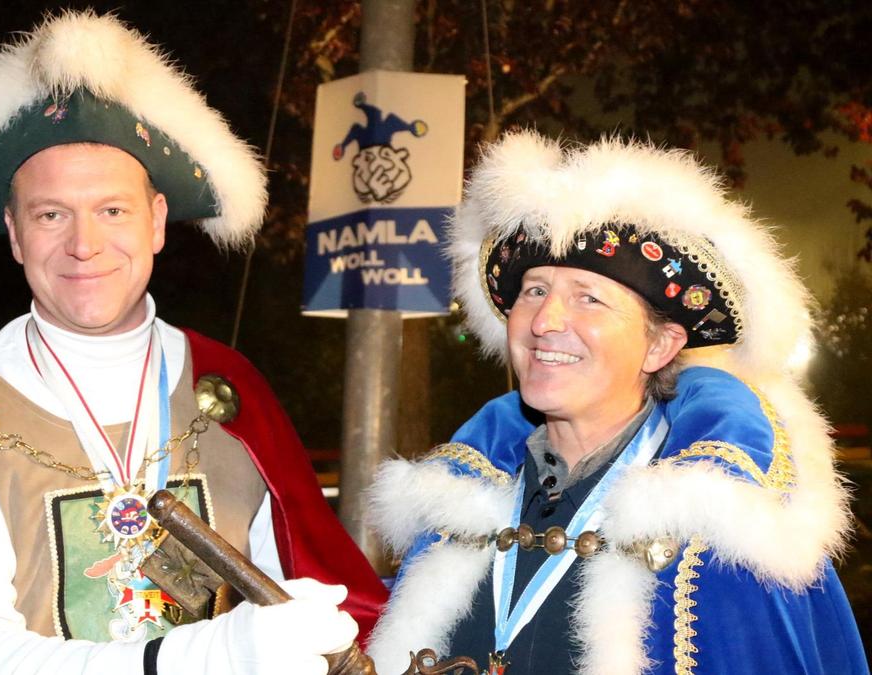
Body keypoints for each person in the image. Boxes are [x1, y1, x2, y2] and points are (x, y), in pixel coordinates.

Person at [0, 10, 387, 675]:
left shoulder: (228, 387)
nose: (84, 245)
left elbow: (313, 596)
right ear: (13, 231)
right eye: (51, 213)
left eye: (112, 210)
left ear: (156, 221)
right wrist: (202, 654)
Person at [366, 132, 869, 674]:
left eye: (588, 298)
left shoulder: (724, 535)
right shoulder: (454, 508)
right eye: (534, 291)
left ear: (660, 345)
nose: (544, 322)